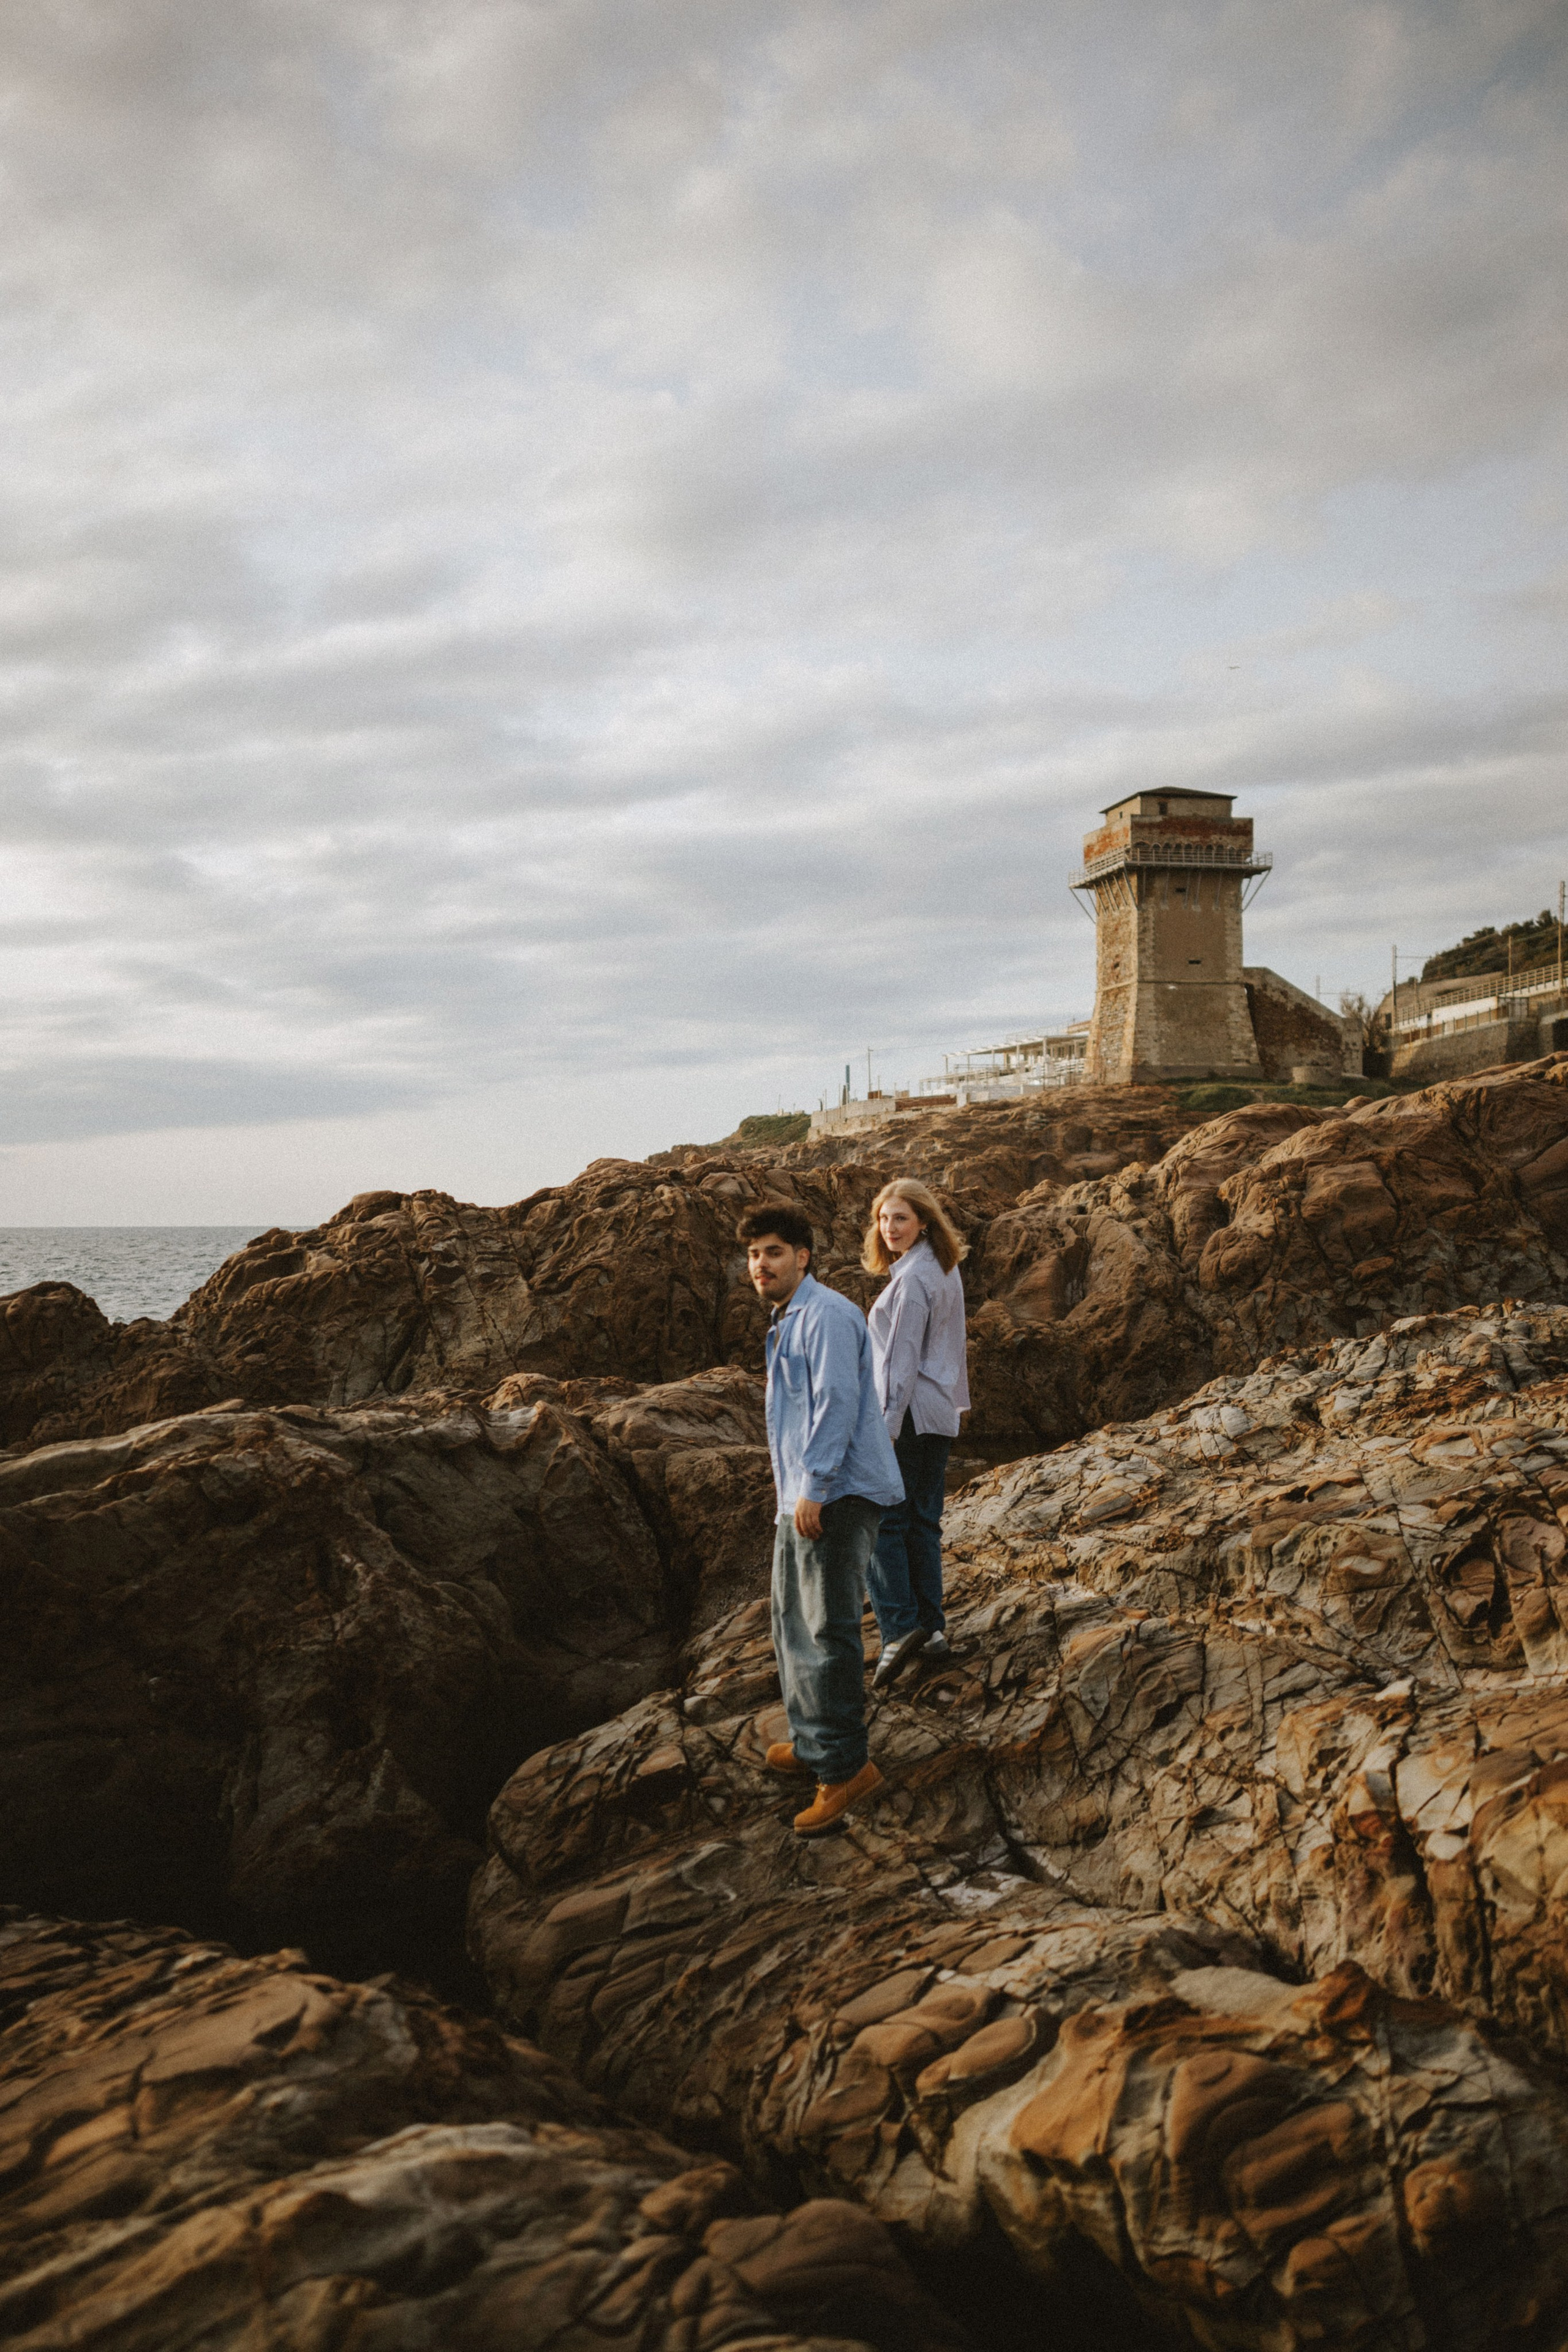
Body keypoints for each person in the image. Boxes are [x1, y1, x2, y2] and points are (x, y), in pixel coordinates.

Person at [739, 1200, 904, 1837]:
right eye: (754, 1255)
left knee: (826, 1629)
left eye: (774, 1252)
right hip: (804, 1496)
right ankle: (812, 1743)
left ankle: (845, 1769)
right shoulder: (789, 1317)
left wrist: (813, 1487)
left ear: (802, 1257)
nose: (761, 1265)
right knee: (791, 1623)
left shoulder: (827, 1315)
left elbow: (836, 1404)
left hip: (834, 1494)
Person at [861, 1177, 970, 1687]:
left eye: (900, 1218)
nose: (889, 1229)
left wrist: (881, 1428)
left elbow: (900, 1362)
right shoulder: (944, 1269)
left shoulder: (912, 1281)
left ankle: (899, 1632)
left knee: (882, 1524)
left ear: (924, 1221)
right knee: (923, 1524)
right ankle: (933, 1633)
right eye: (883, 1219)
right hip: (940, 1412)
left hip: (907, 1415)